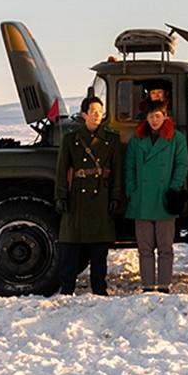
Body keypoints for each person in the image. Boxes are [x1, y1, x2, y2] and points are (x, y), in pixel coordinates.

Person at [53, 95, 124, 296]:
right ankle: (67, 289)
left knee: (99, 248)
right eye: (93, 112)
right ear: (84, 114)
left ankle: (99, 289)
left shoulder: (111, 140)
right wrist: (61, 196)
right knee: (70, 245)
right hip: (76, 197)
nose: (97, 116)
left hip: (101, 197)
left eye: (100, 112)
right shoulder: (71, 139)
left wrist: (115, 197)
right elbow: (61, 170)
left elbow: (117, 172)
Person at [124, 100, 188, 293]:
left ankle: (163, 285)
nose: (154, 120)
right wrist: (132, 189)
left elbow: (182, 164)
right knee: (145, 248)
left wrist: (173, 188)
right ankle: (147, 285)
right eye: (150, 116)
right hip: (141, 200)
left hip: (164, 199)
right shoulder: (137, 139)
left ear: (165, 116)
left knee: (165, 247)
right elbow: (130, 166)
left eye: (158, 116)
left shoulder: (176, 138)